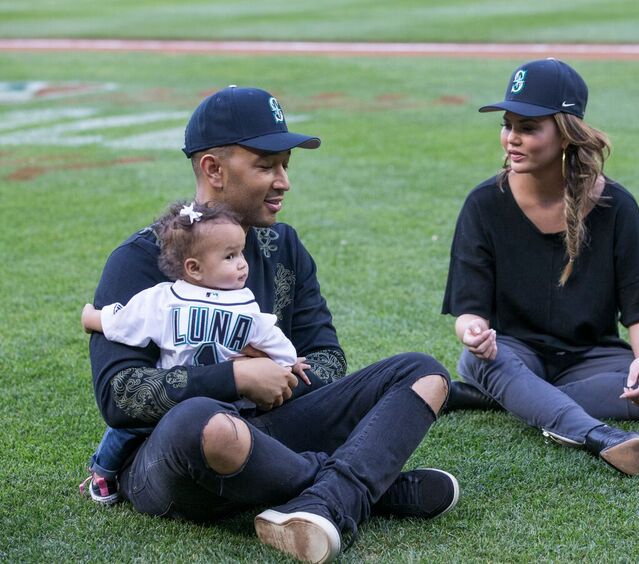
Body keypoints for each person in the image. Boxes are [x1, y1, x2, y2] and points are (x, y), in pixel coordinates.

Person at [87, 85, 458, 563]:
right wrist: (236, 377)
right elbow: (119, 395)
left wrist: (277, 379)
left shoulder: (283, 246)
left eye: (286, 165)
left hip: (273, 427)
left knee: (423, 373)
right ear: (213, 169)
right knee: (202, 421)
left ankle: (328, 500)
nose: (283, 181)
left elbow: (328, 358)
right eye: (266, 165)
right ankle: (368, 489)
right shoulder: (140, 260)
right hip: (176, 458)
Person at [441, 59, 639, 477]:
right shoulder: (483, 204)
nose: (511, 139)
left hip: (589, 358)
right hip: (513, 352)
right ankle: (598, 436)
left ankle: (513, 397)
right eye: (507, 125)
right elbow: (471, 314)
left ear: (565, 133)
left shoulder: (616, 206)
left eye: (528, 128)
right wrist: (472, 333)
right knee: (477, 363)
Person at [80, 200, 310, 505]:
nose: (242, 263)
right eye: (230, 256)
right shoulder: (168, 300)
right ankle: (103, 471)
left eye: (241, 253)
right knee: (125, 427)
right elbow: (124, 321)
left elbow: (270, 338)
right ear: (194, 268)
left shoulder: (242, 304)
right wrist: (92, 319)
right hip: (180, 398)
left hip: (221, 400)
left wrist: (289, 361)